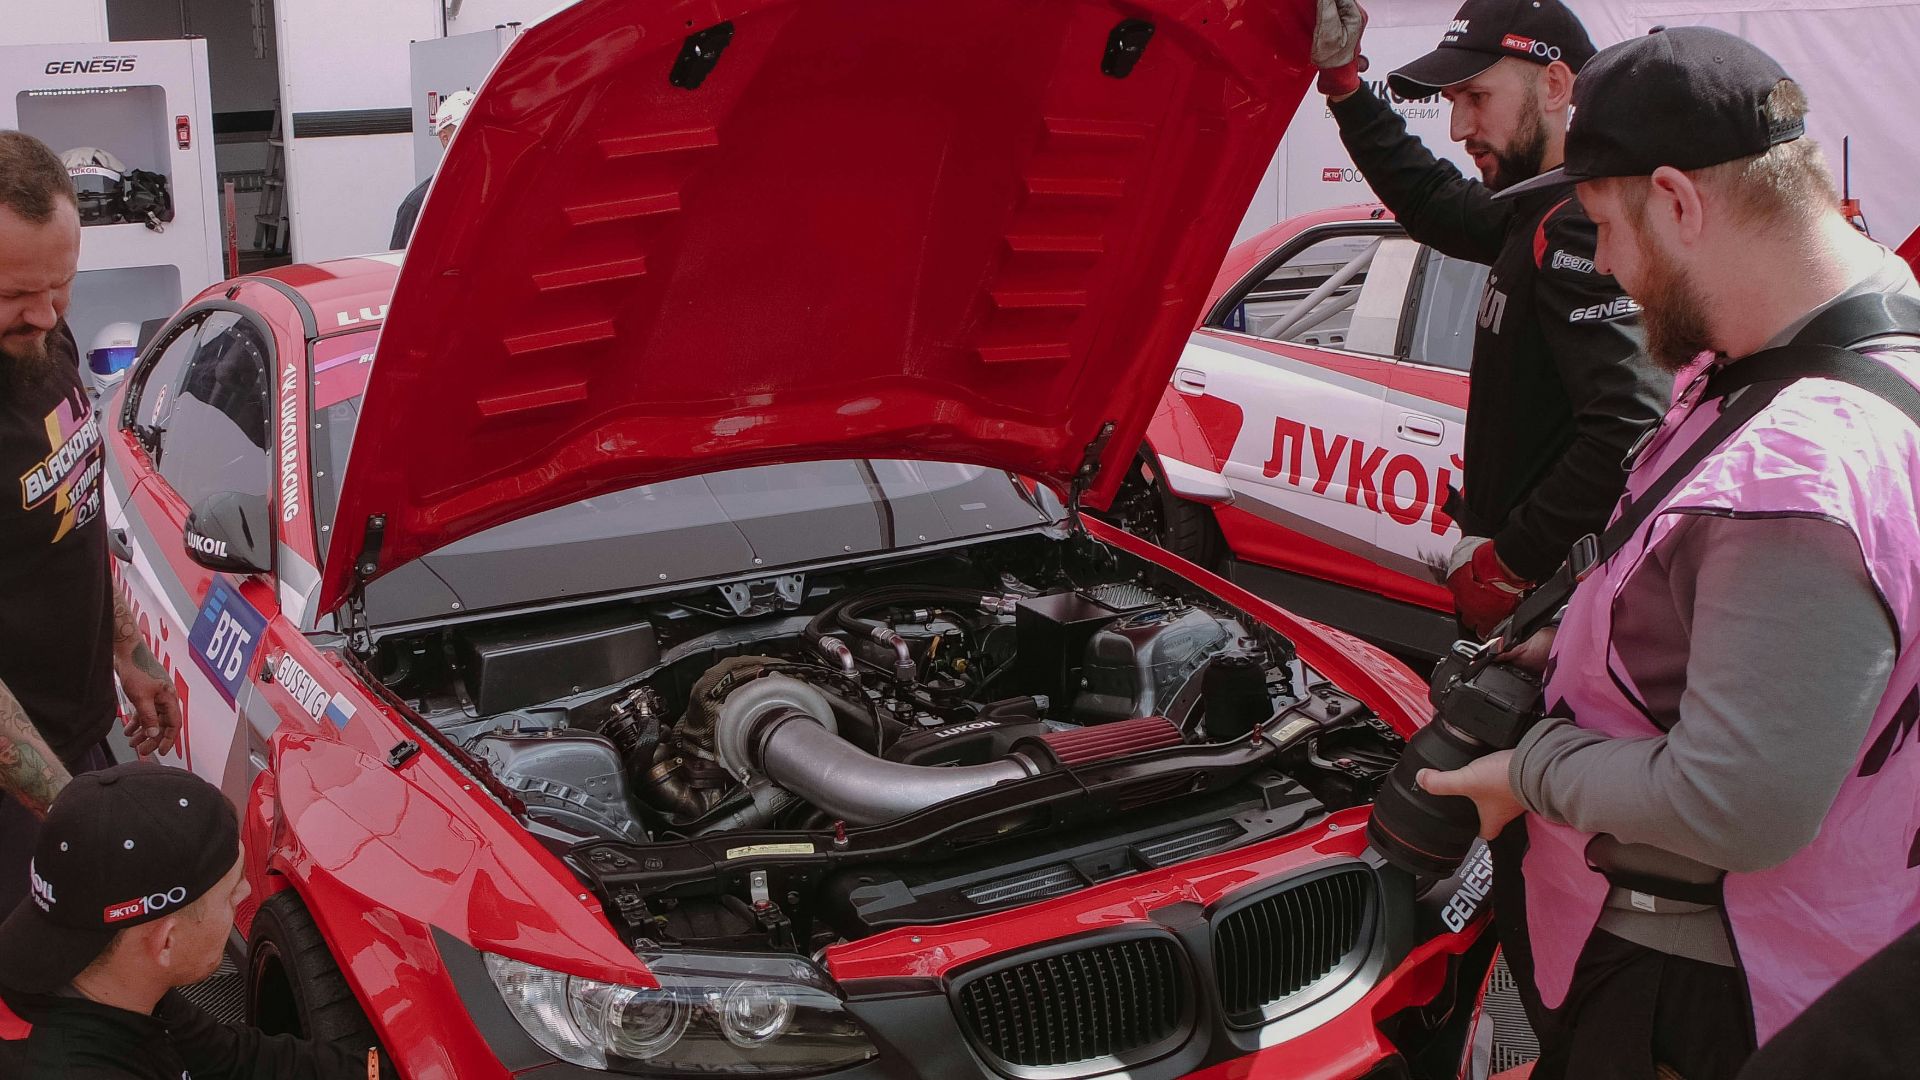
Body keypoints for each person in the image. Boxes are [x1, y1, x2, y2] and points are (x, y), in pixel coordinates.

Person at [1418, 27, 1920, 1079]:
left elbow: (1737, 801)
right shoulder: (1828, 349)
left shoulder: (1805, 468)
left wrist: (1530, 772)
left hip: (1704, 1000)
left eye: (1601, 224)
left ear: (1679, 201)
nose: (1599, 262)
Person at [1311, 0, 1671, 638]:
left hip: (1555, 607)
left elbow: (1629, 425)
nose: (1457, 127)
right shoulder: (1535, 205)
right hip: (1535, 592)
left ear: (1556, 85)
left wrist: (1509, 564)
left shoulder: (1581, 223)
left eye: (1476, 97)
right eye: (1452, 100)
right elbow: (1431, 199)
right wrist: (1346, 89)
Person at [0, 130, 181, 915]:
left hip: (74, 734)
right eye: (12, 294)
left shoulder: (44, 337)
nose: (42, 313)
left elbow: (74, 511)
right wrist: (69, 813)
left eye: (61, 284)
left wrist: (126, 649)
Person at [0, 763, 374, 1078]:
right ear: (165, 941)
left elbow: (233, 1059)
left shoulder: (114, 981)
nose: (245, 893)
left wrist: (378, 1071)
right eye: (229, 893)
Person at [391, 88, 475, 249]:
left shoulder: (504, 192)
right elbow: (401, 270)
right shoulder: (418, 205)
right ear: (445, 137)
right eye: (467, 128)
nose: (478, 135)